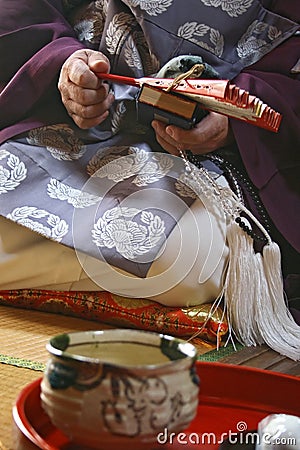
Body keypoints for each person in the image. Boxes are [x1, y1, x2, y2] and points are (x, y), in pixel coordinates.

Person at [0, 0, 299, 358]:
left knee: (189, 257)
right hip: (77, 122)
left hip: (208, 149)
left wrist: (238, 111)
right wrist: (63, 61)